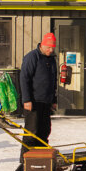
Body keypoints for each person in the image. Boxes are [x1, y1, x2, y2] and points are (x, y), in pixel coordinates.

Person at [19, 33, 58, 161]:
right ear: (42, 45)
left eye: (52, 48)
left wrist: (53, 100)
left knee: (44, 131)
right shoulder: (32, 57)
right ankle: (25, 161)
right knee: (31, 133)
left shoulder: (51, 59)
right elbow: (24, 79)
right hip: (33, 102)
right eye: (48, 48)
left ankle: (42, 159)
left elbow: (53, 80)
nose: (51, 50)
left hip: (46, 102)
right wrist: (26, 99)